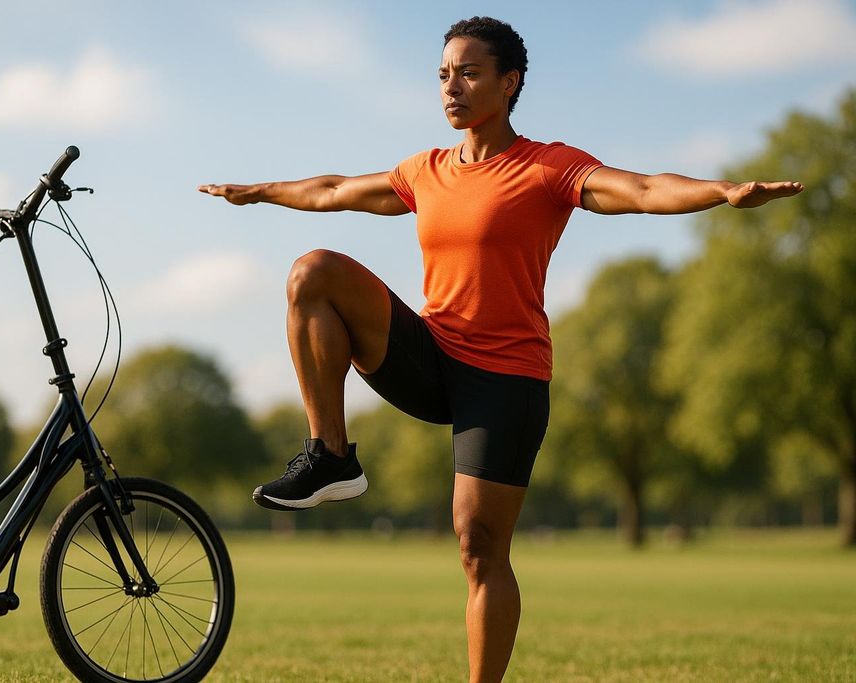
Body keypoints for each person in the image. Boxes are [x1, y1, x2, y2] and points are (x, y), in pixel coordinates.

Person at [198, 15, 803, 683]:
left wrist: (720, 192)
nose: (451, 87)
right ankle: (331, 457)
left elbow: (645, 189)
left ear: (509, 83)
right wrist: (259, 192)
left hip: (505, 379)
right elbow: (334, 190)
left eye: (469, 72)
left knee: (479, 545)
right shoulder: (425, 171)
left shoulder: (548, 167)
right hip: (430, 355)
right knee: (313, 272)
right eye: (443, 75)